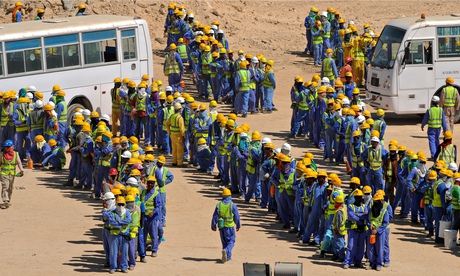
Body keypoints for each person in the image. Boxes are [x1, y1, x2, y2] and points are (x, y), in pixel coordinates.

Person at [211, 188, 241, 263]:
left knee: (224, 242)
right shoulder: (232, 205)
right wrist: (238, 224)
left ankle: (227, 257)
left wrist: (213, 225)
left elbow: (215, 216)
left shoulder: (219, 205)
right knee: (231, 241)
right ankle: (226, 251)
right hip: (229, 226)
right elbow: (236, 216)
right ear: (230, 196)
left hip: (221, 227)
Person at [106, 196, 131, 274]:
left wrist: (118, 223)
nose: (120, 206)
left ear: (125, 204)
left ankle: (124, 267)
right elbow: (111, 222)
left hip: (124, 235)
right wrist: (121, 224)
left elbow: (128, 220)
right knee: (113, 252)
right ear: (116, 204)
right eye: (119, 204)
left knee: (124, 252)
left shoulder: (127, 212)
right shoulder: (111, 212)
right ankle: (113, 267)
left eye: (122, 204)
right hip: (114, 235)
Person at [141, 175, 163, 257]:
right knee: (143, 235)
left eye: (152, 183)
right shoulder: (143, 192)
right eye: (149, 183)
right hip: (144, 217)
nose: (150, 184)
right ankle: (143, 251)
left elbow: (158, 206)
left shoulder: (156, 194)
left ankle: (154, 250)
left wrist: (153, 212)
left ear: (154, 184)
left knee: (153, 235)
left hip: (152, 218)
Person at [367, 192, 390, 271]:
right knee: (370, 248)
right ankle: (372, 263)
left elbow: (385, 223)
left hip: (380, 233)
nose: (375, 202)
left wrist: (377, 230)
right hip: (371, 231)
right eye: (375, 201)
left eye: (377, 201)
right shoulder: (371, 210)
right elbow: (368, 220)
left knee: (379, 248)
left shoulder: (384, 211)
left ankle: (378, 264)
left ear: (381, 201)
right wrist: (369, 225)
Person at [0, 140, 24, 209]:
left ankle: (8, 200)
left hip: (12, 174)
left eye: (8, 147)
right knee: (5, 186)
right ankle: (5, 200)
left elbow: (19, 162)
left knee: (10, 188)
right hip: (3, 174)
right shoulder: (1, 154)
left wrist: (21, 170)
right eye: (6, 147)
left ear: (12, 147)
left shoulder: (16, 154)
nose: (7, 148)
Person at [166, 102, 185, 166]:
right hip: (178, 135)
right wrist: (183, 136)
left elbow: (167, 124)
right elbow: (182, 129)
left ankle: (174, 161)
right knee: (179, 149)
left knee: (174, 149)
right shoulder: (180, 118)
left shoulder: (172, 116)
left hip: (172, 135)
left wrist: (169, 132)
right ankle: (179, 163)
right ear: (179, 109)